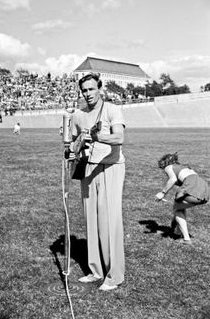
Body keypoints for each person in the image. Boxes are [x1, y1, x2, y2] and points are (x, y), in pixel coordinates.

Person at [71, 73, 125, 291]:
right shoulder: (78, 114)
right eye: (84, 90)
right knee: (91, 219)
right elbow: (72, 143)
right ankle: (96, 271)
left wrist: (97, 136)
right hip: (87, 168)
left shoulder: (112, 110)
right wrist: (74, 145)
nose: (88, 94)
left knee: (109, 219)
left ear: (99, 88)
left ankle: (114, 275)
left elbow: (119, 138)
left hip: (110, 167)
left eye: (91, 89)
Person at [155, 152, 209, 245]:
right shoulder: (184, 168)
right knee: (179, 206)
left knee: (176, 209)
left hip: (192, 189)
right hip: (205, 191)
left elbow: (173, 179)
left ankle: (186, 239)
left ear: (165, 163)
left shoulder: (169, 167)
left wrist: (162, 193)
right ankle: (177, 232)